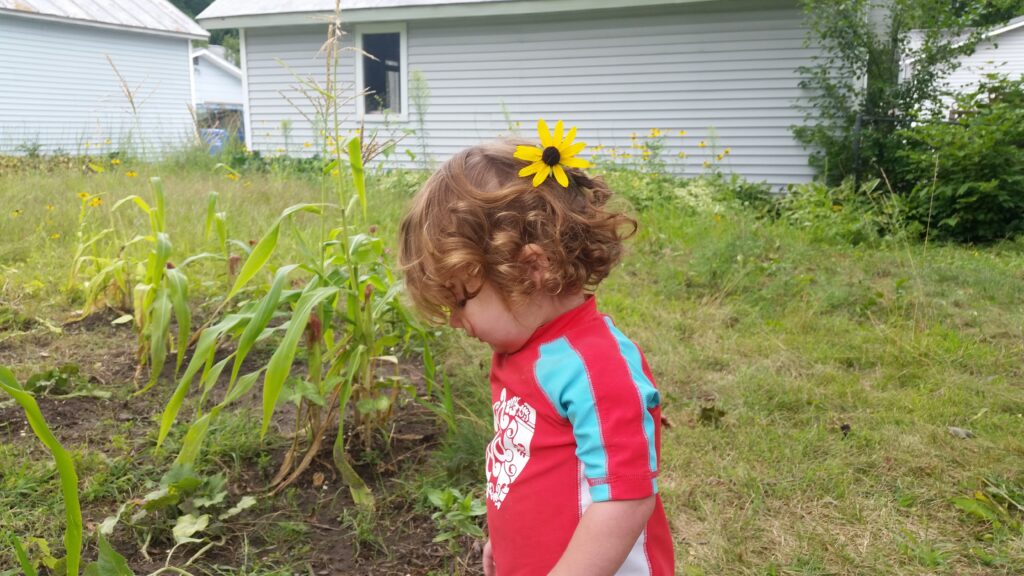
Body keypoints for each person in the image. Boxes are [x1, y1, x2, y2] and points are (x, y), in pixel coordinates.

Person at [399, 120, 674, 575]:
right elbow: (523, 464)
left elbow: (627, 498)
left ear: (532, 269)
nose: (456, 321)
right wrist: (505, 540)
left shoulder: (595, 367)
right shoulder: (519, 352)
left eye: (463, 300)